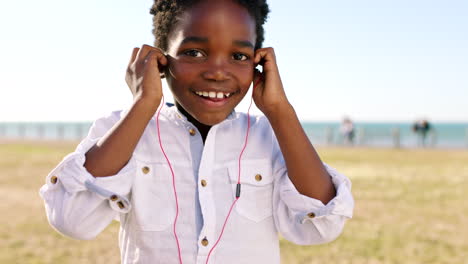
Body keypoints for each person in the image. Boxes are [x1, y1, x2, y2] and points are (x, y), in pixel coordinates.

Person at [39, 1, 354, 263]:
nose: (218, 71)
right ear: (159, 59)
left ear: (258, 63)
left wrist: (280, 111)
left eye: (239, 56)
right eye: (194, 52)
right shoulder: (123, 130)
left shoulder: (270, 137)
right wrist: (143, 103)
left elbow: (322, 227)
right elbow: (72, 220)